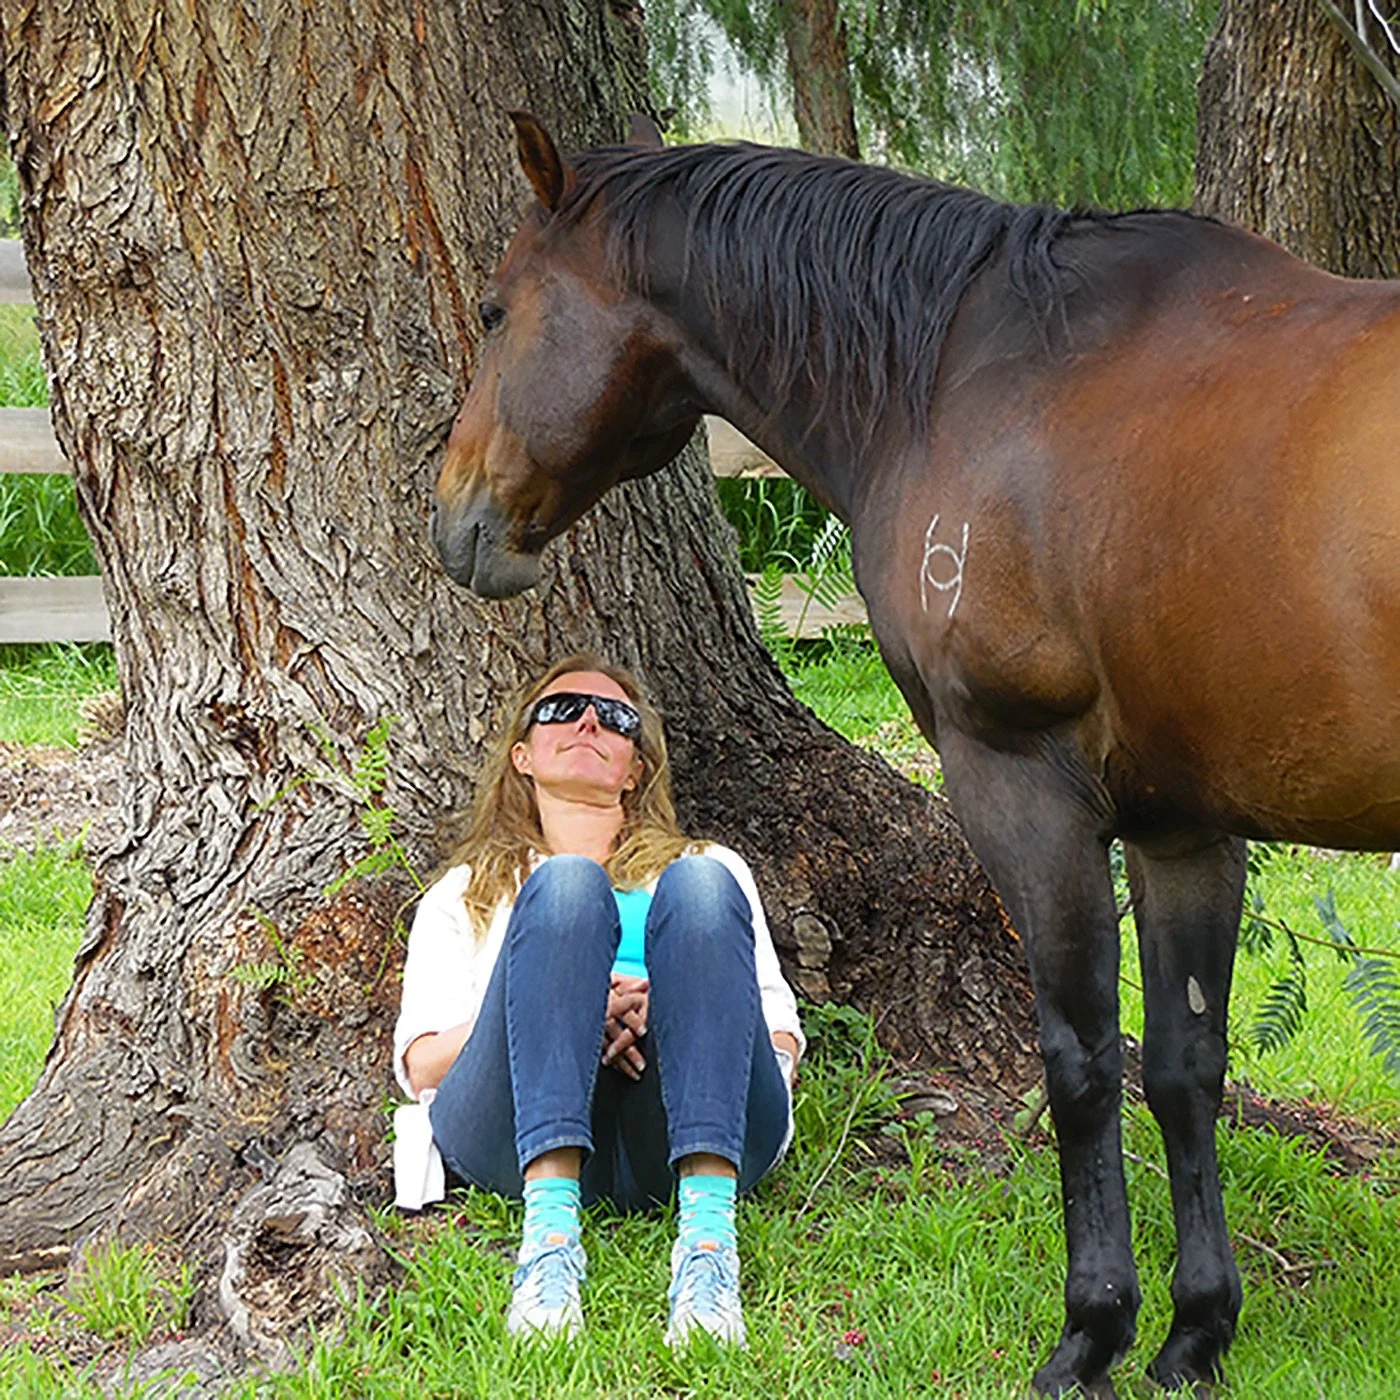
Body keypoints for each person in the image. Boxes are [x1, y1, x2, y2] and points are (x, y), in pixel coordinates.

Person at [392, 652, 804, 1346]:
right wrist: (567, 1007)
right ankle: (549, 1246)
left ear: (634, 767)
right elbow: (424, 1064)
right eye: (562, 710)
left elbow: (781, 1041)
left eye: (615, 719)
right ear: (521, 755)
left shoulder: (706, 868)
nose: (588, 721)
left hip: (675, 1122)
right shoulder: (462, 894)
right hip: (513, 1132)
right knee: (567, 888)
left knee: (703, 888)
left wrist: (672, 1015)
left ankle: (708, 1252)